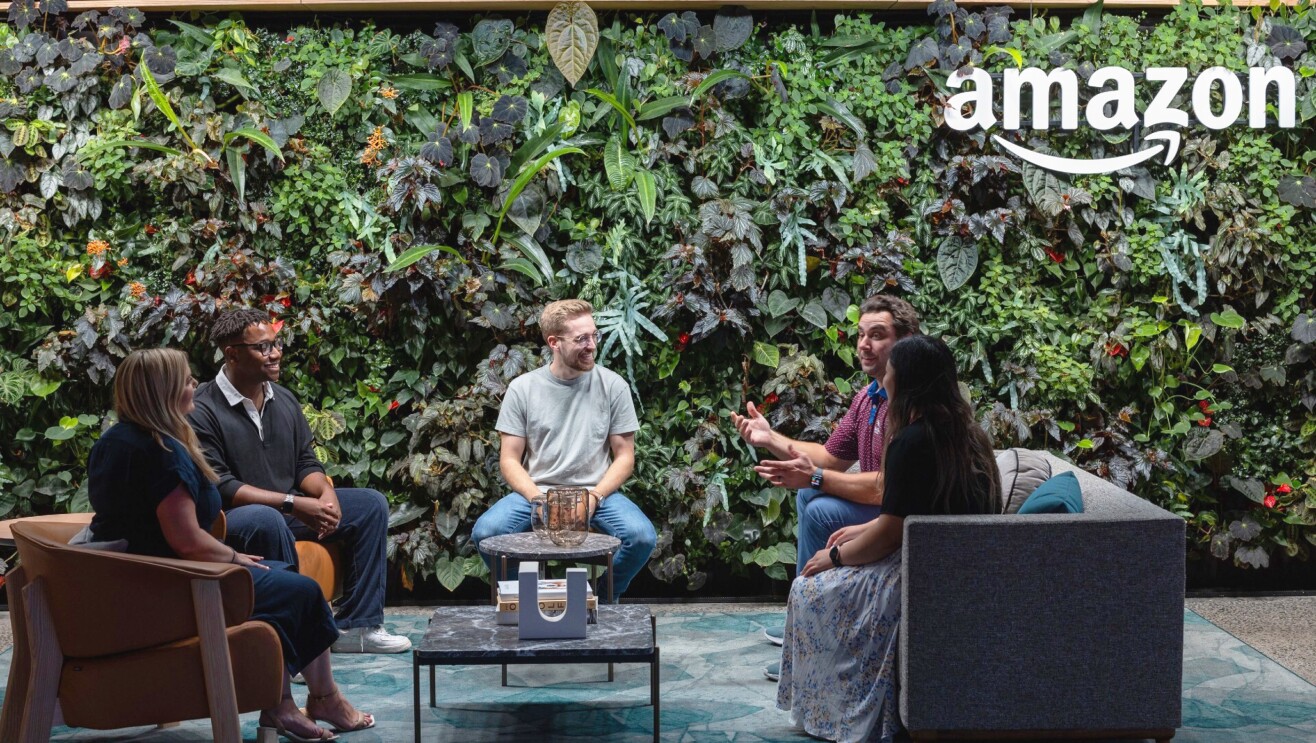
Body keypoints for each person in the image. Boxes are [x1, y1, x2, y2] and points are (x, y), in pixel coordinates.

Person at [87, 349, 373, 741]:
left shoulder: (115, 442)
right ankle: (317, 699)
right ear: (164, 391)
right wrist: (233, 557)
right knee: (301, 591)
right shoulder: (161, 452)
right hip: (174, 587)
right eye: (186, 380)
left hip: (135, 579)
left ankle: (287, 703)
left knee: (283, 578)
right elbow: (186, 541)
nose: (194, 385)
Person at [776, 334, 1001, 743]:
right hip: (952, 561)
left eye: (891, 374)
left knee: (810, 590)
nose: (884, 382)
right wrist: (863, 529)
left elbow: (891, 533)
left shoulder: (911, 442)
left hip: (917, 571)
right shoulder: (966, 432)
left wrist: (838, 557)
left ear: (907, 381)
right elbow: (917, 511)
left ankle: (836, 712)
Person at [189, 308, 410, 654]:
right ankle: (293, 642)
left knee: (370, 505)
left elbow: (304, 462)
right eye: (263, 348)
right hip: (235, 519)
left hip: (287, 509)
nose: (275, 354)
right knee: (267, 518)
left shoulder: (283, 399)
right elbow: (223, 488)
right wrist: (294, 504)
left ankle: (358, 626)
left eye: (276, 344)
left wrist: (325, 492)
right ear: (232, 353)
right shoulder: (202, 409)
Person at [733, 294, 920, 661]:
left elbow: (887, 487)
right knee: (808, 498)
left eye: (877, 335)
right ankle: (808, 619)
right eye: (861, 334)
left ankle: (813, 638)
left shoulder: (911, 404)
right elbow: (830, 458)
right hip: (883, 509)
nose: (865, 345)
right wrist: (768, 438)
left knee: (819, 508)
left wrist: (815, 478)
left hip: (906, 518)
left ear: (906, 341)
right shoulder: (869, 397)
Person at [472, 299, 656, 599]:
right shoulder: (523, 389)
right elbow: (509, 459)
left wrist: (595, 496)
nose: (591, 345)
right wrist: (537, 499)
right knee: (485, 533)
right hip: (538, 491)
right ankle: (524, 598)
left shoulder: (613, 386)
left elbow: (625, 456)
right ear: (554, 342)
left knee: (641, 537)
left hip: (596, 491)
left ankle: (602, 599)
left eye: (594, 335)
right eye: (581, 338)